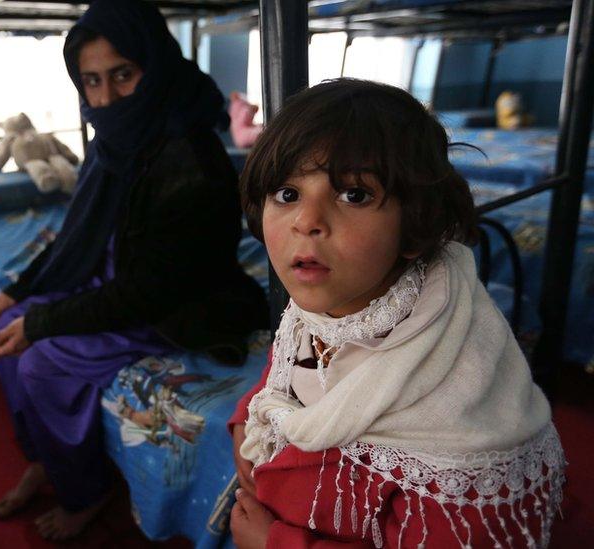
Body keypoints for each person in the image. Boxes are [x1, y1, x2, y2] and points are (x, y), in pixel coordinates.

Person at [228, 78, 565, 548]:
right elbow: (291, 365)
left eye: (354, 195)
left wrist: (276, 544)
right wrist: (251, 413)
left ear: (415, 225)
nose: (306, 221)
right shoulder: (333, 304)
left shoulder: (458, 429)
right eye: (287, 194)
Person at [0, 0, 270, 540]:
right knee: (7, 321)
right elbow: (79, 233)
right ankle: (45, 455)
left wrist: (45, 324)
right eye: (90, 81)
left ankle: (83, 493)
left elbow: (152, 290)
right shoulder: (115, 141)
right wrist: (21, 291)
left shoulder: (190, 157)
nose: (105, 97)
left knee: (40, 362)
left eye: (122, 75)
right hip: (119, 280)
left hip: (176, 305)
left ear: (154, 65)